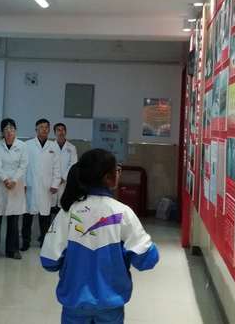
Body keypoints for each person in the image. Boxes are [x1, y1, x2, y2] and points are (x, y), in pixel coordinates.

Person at [40, 149, 159, 324]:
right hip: (110, 305)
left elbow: (49, 261)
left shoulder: (67, 213)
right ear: (108, 178)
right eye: (117, 169)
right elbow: (147, 260)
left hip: (74, 304)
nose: (119, 173)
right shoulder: (122, 213)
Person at [0, 118, 29, 260]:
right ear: (2, 132)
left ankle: (13, 250)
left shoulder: (22, 146)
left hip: (16, 186)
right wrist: (5, 179)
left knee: (13, 220)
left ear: (15, 130)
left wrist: (14, 180)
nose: (9, 132)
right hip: (0, 184)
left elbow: (23, 165)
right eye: (6, 129)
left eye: (12, 129)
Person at [22, 119, 61, 251]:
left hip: (46, 187)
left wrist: (55, 183)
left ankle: (44, 242)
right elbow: (23, 165)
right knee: (27, 216)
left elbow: (57, 167)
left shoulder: (53, 146)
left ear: (49, 130)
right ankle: (25, 242)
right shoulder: (27, 145)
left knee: (45, 216)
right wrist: (24, 182)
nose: (44, 129)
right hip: (30, 185)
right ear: (36, 129)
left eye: (46, 127)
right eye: (41, 127)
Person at [53, 123, 78, 211]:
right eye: (58, 130)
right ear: (55, 133)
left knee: (63, 206)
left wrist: (63, 178)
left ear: (66, 132)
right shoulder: (50, 147)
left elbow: (73, 164)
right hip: (52, 180)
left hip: (65, 181)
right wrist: (56, 179)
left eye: (63, 130)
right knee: (50, 206)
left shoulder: (72, 147)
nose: (61, 132)